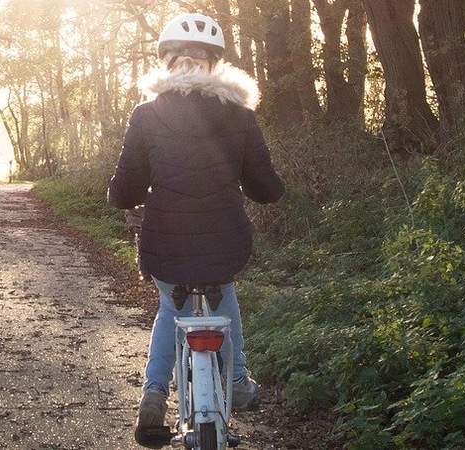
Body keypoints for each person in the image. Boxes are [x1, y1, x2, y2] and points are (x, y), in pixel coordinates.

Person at [106, 13, 285, 447]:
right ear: (214, 64)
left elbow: (125, 189)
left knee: (172, 305)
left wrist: (122, 196)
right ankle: (238, 380)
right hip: (226, 239)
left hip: (163, 241)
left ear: (168, 62)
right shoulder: (240, 113)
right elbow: (267, 189)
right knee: (224, 289)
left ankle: (153, 394)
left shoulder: (147, 114)